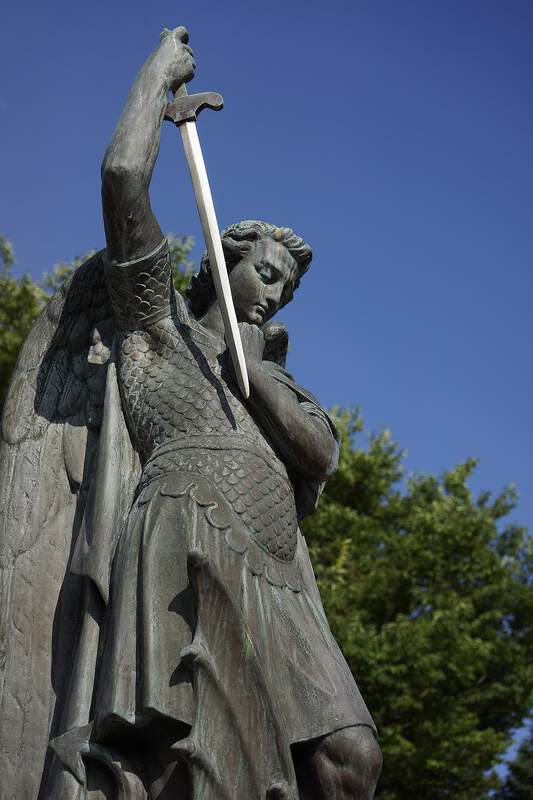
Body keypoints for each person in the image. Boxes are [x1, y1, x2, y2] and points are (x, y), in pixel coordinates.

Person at [3, 26, 382, 800]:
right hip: (188, 533)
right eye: (264, 273)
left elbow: (319, 455)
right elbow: (121, 178)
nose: (274, 292)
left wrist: (255, 374)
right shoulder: (156, 328)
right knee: (185, 764)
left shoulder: (275, 384)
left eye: (286, 288)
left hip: (280, 575)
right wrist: (157, 77)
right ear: (220, 263)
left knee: (351, 760)